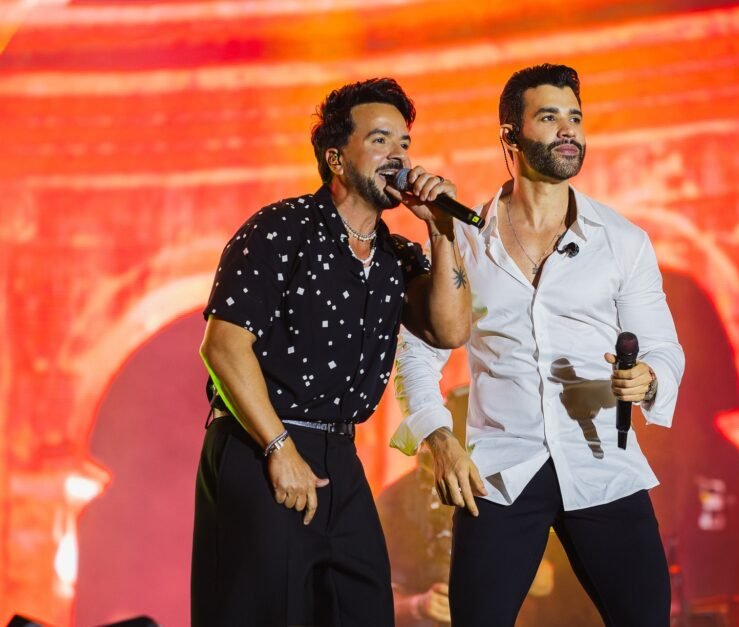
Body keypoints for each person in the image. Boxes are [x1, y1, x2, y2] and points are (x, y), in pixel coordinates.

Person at [390, 64, 684, 626]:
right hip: (501, 472)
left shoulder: (622, 242)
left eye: (575, 117)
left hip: (602, 464)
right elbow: (417, 354)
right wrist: (439, 439)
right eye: (549, 118)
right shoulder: (463, 238)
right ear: (511, 136)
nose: (568, 130)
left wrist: (648, 377)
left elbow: (663, 348)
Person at [191, 77, 470, 627]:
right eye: (381, 140)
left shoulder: (395, 255)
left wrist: (442, 232)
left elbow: (450, 329)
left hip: (340, 453)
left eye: (405, 143)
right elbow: (223, 346)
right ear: (336, 159)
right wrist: (279, 447)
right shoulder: (280, 229)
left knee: (361, 607)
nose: (399, 156)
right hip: (261, 443)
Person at [379, 387, 557, 626]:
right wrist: (418, 606)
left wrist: (494, 558)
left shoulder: (516, 486)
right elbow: (368, 598)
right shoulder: (395, 500)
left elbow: (546, 582)